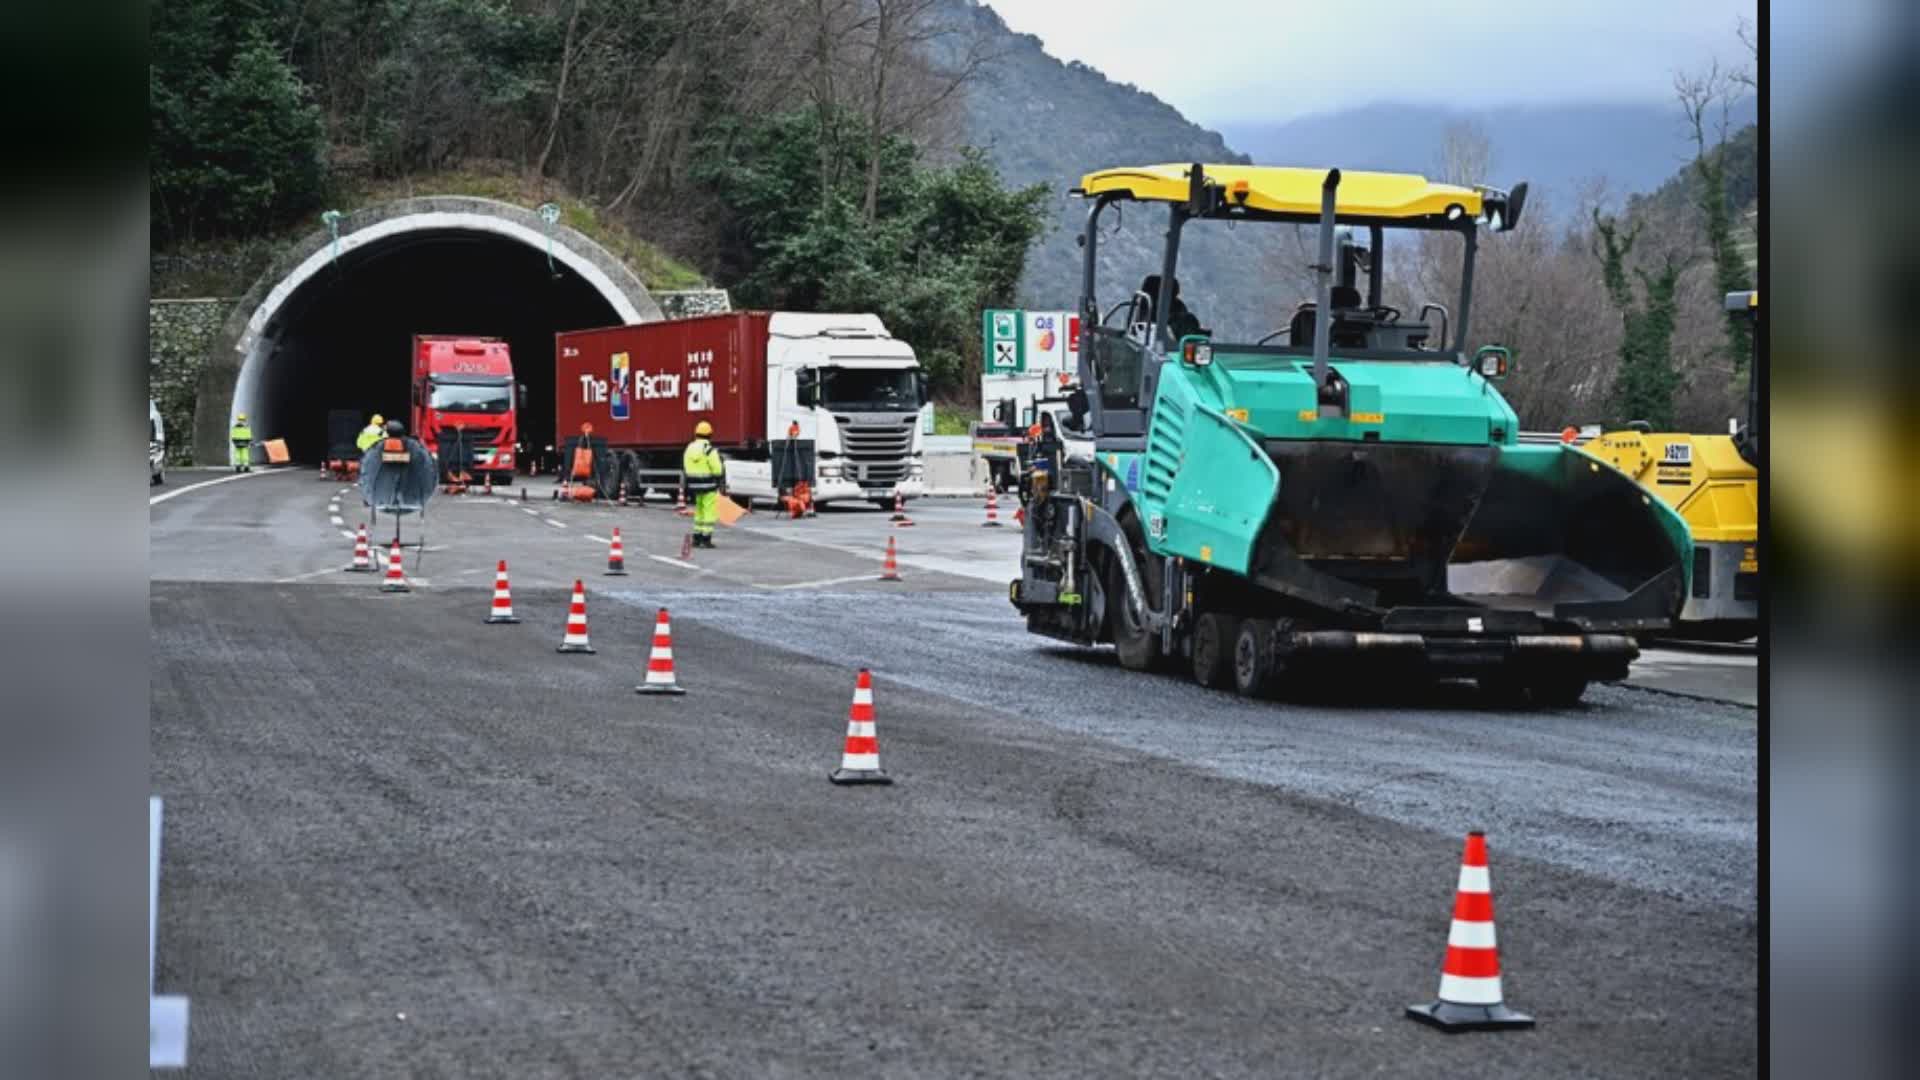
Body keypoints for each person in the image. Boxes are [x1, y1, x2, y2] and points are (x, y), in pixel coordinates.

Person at [683, 420, 726, 548]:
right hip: (708, 485)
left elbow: (685, 464)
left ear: (696, 433)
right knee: (708, 510)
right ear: (710, 434)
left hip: (694, 485)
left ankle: (696, 537)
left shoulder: (689, 448)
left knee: (699, 510)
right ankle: (706, 539)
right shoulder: (709, 450)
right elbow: (717, 469)